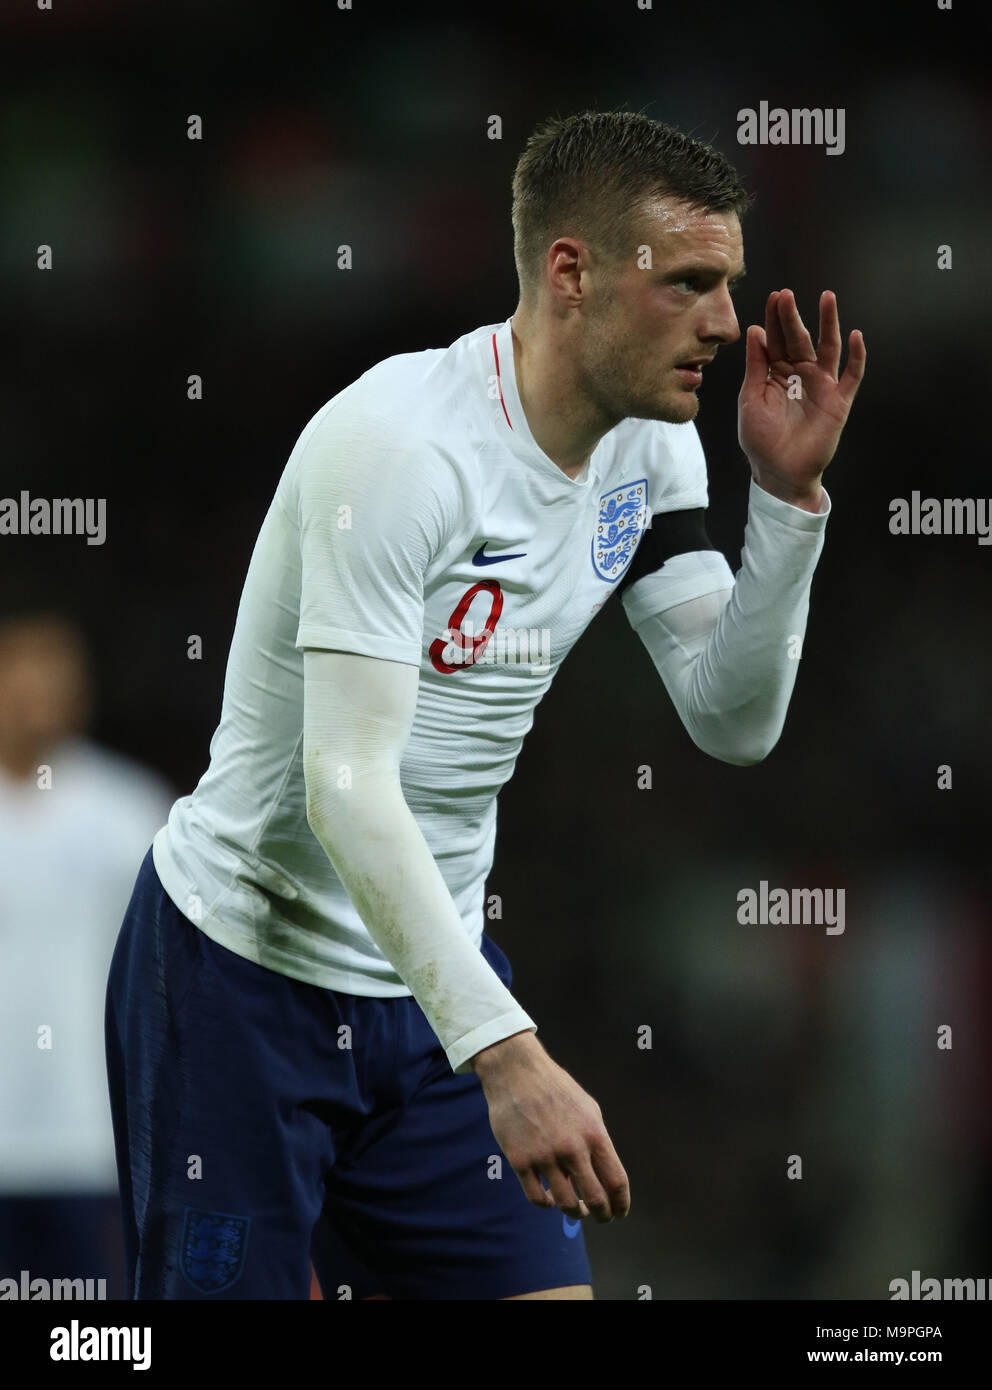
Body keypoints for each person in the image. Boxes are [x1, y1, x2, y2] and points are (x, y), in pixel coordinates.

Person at [105, 109, 865, 1301]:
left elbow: (730, 717)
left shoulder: (649, 446)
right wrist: (508, 1051)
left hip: (432, 981)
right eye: (689, 284)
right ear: (569, 272)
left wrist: (786, 499)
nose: (725, 321)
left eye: (727, 285)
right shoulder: (398, 448)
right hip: (245, 981)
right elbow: (343, 782)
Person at [0, 612, 173, 1299]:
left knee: (89, 1329)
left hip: (92, 1142)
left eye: (57, 679)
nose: (38, 695)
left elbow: (168, 976)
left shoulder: (129, 812)